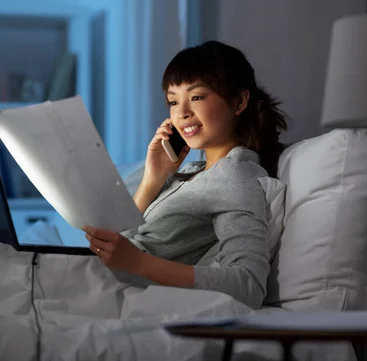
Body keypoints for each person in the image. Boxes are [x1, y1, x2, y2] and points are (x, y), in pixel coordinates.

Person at [83, 40, 287, 309]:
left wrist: (138, 263)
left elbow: (248, 284)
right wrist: (152, 180)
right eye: (173, 101)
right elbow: (121, 241)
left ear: (238, 101)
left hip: (120, 296)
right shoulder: (191, 171)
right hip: (99, 280)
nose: (182, 113)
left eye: (197, 97)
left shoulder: (235, 176)